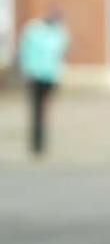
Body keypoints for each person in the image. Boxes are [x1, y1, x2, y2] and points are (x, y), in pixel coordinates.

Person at [19, 9, 69, 155]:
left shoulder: (57, 33)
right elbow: (25, 52)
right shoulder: (35, 31)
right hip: (36, 76)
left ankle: (41, 142)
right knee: (37, 110)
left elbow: (61, 54)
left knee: (42, 111)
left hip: (48, 77)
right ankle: (37, 144)